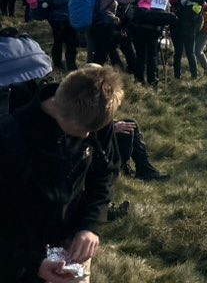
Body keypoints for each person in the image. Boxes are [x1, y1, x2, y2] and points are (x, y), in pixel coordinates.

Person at [0, 65, 124, 282]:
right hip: (19, 255)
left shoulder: (95, 116)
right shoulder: (10, 138)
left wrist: (89, 226)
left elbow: (105, 172)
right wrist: (31, 264)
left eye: (93, 131)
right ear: (58, 108)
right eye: (80, 131)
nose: (87, 136)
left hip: (72, 244)